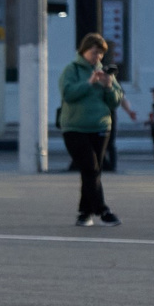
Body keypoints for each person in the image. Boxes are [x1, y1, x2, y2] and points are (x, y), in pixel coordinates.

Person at [58, 34, 126, 226]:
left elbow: (116, 101)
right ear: (84, 51)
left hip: (100, 127)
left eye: (101, 54)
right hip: (75, 128)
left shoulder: (104, 72)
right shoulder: (72, 70)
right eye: (94, 52)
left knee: (93, 172)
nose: (97, 57)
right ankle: (103, 210)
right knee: (90, 167)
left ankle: (85, 212)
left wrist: (108, 86)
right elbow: (68, 94)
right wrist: (89, 82)